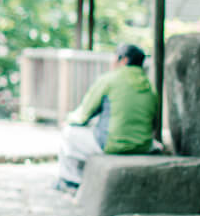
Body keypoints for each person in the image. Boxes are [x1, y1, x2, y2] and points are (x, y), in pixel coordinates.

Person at [56, 42, 160, 193]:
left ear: (123, 60)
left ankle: (72, 182)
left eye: (114, 58)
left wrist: (69, 120)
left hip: (113, 145)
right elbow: (154, 123)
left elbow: (83, 114)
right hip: (143, 145)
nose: (112, 62)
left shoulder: (109, 79)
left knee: (68, 133)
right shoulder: (150, 86)